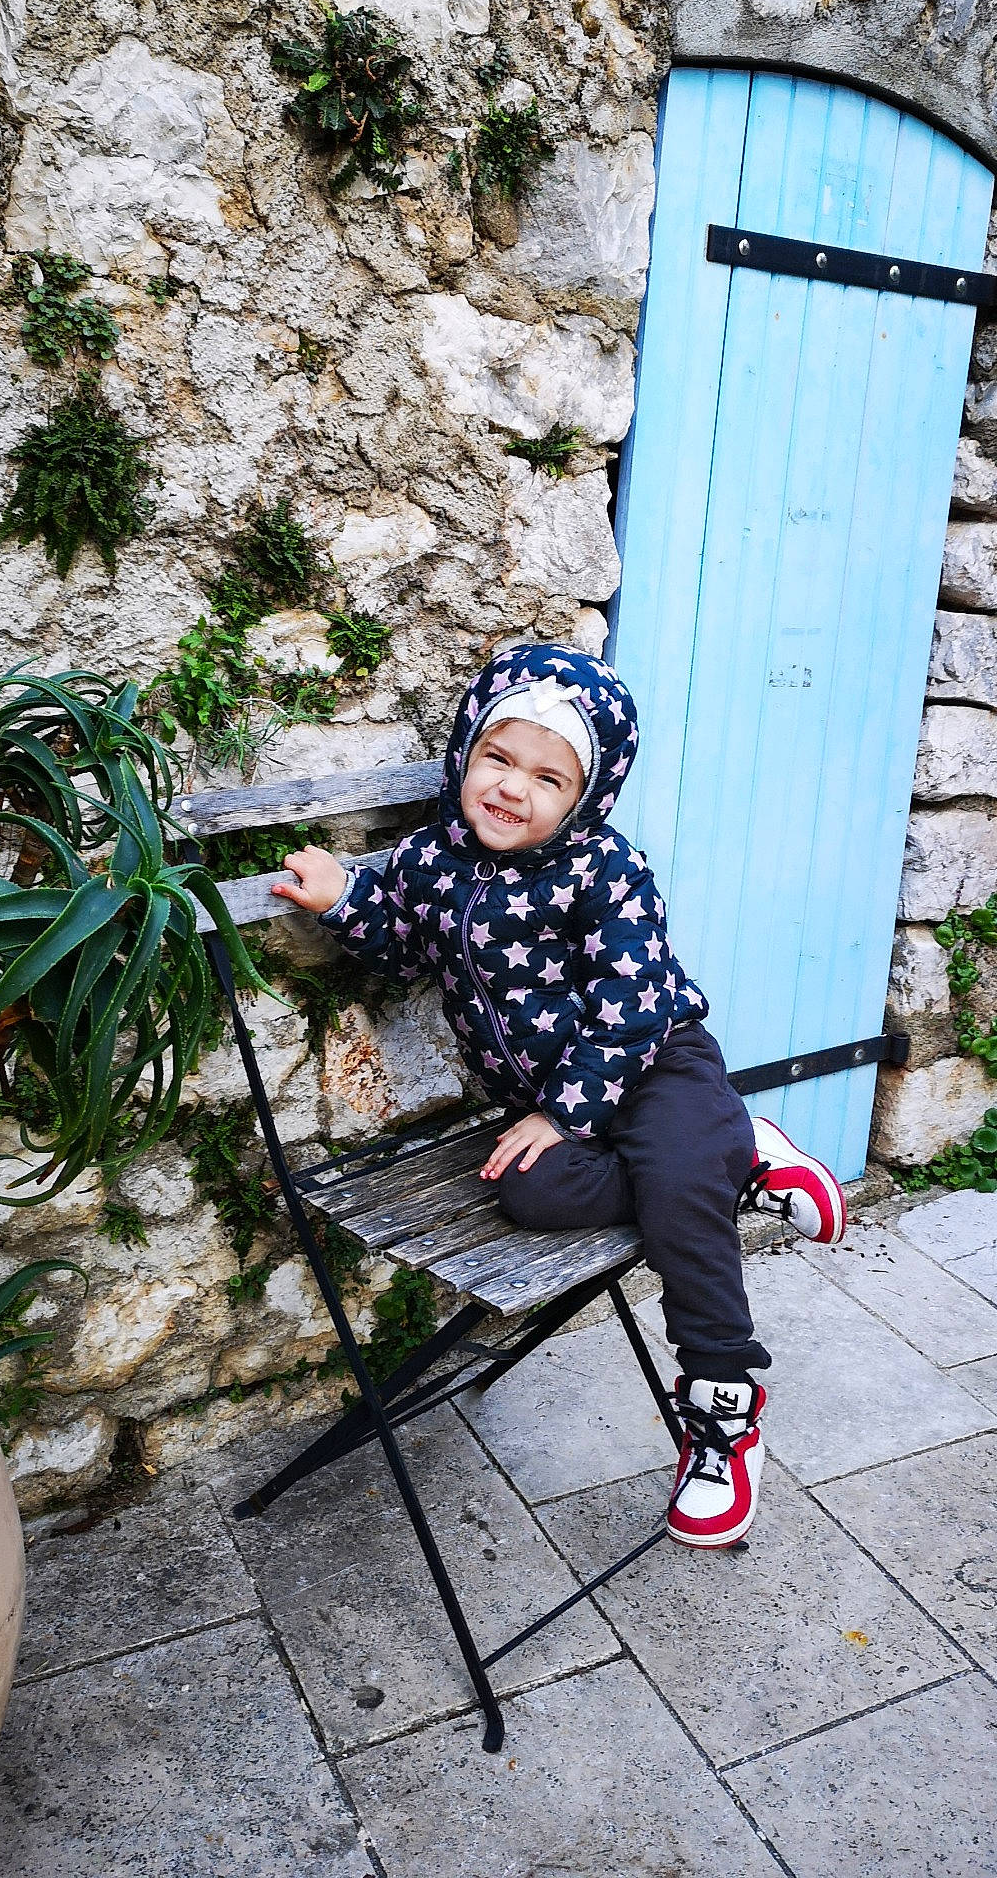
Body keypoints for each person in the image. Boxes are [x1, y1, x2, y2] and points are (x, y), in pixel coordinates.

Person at [272, 643, 846, 1548]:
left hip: (659, 1068)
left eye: (548, 776)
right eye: (498, 758)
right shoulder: (432, 861)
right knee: (530, 1190)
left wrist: (559, 1112)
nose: (512, 789)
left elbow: (629, 1012)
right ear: (467, 750)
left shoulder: (608, 872)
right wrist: (344, 899)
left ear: (586, 794)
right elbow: (407, 946)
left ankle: (723, 1408)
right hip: (558, 1105)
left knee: (678, 1190)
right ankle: (735, 1157)